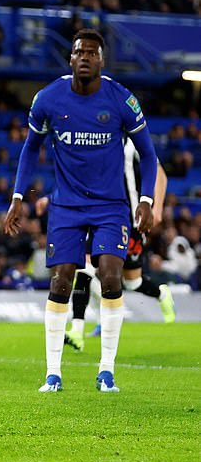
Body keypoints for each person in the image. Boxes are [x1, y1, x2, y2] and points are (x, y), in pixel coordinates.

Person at [4, 28, 159, 393]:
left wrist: (147, 201)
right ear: (70, 59)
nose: (85, 57)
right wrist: (16, 197)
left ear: (101, 61)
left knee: (109, 276)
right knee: (61, 280)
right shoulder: (48, 99)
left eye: (92, 53)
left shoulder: (121, 100)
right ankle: (53, 374)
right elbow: (30, 149)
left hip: (110, 206)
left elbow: (149, 155)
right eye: (79, 52)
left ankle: (106, 370)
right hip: (66, 206)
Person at [37, 147, 176, 352]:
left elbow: (160, 174)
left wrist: (156, 208)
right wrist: (51, 198)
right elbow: (82, 179)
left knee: (133, 281)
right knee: (84, 268)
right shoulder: (98, 139)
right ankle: (77, 330)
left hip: (132, 222)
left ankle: (161, 293)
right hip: (101, 218)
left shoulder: (132, 141)